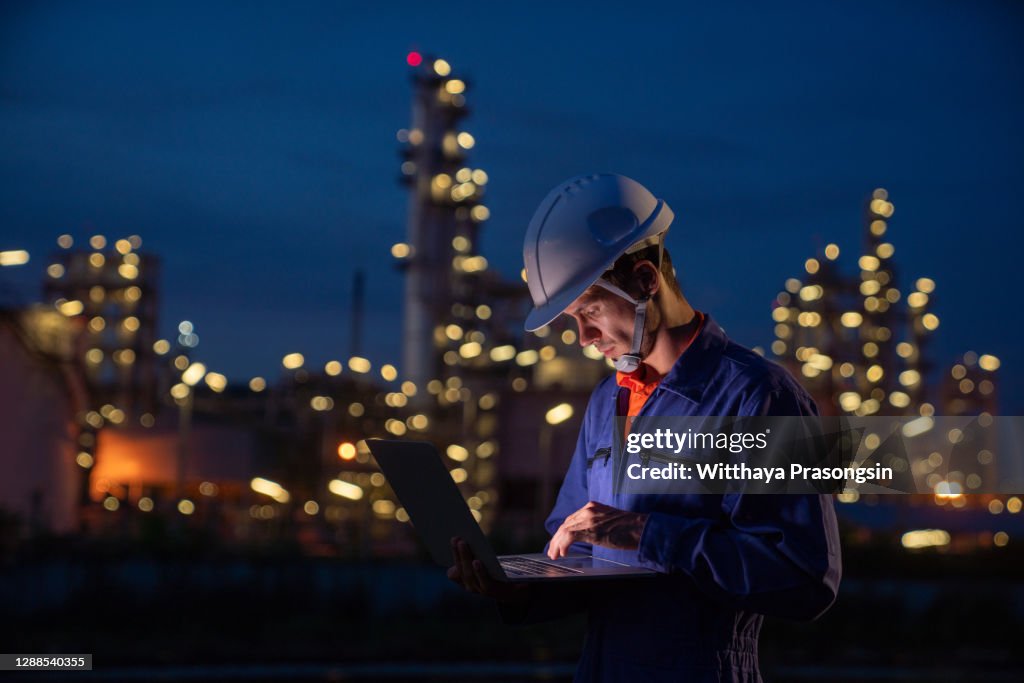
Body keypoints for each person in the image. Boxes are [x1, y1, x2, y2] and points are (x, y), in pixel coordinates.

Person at [449, 173, 841, 682]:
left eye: (589, 310)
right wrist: (516, 588)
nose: (584, 337)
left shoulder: (758, 397)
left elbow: (804, 578)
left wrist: (645, 533)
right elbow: (579, 553)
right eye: (572, 320)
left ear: (644, 280)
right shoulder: (606, 402)